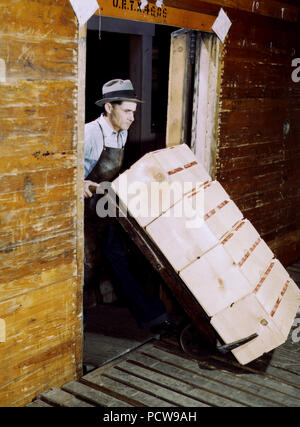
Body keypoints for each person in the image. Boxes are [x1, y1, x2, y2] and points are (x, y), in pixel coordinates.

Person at [83, 79, 172, 332]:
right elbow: (64, 169)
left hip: (106, 209)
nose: (133, 118)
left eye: (134, 111)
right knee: (85, 271)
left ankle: (153, 318)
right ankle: (74, 338)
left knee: (126, 260)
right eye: (128, 111)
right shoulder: (90, 133)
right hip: (84, 215)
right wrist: (78, 183)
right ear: (109, 107)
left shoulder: (121, 132)